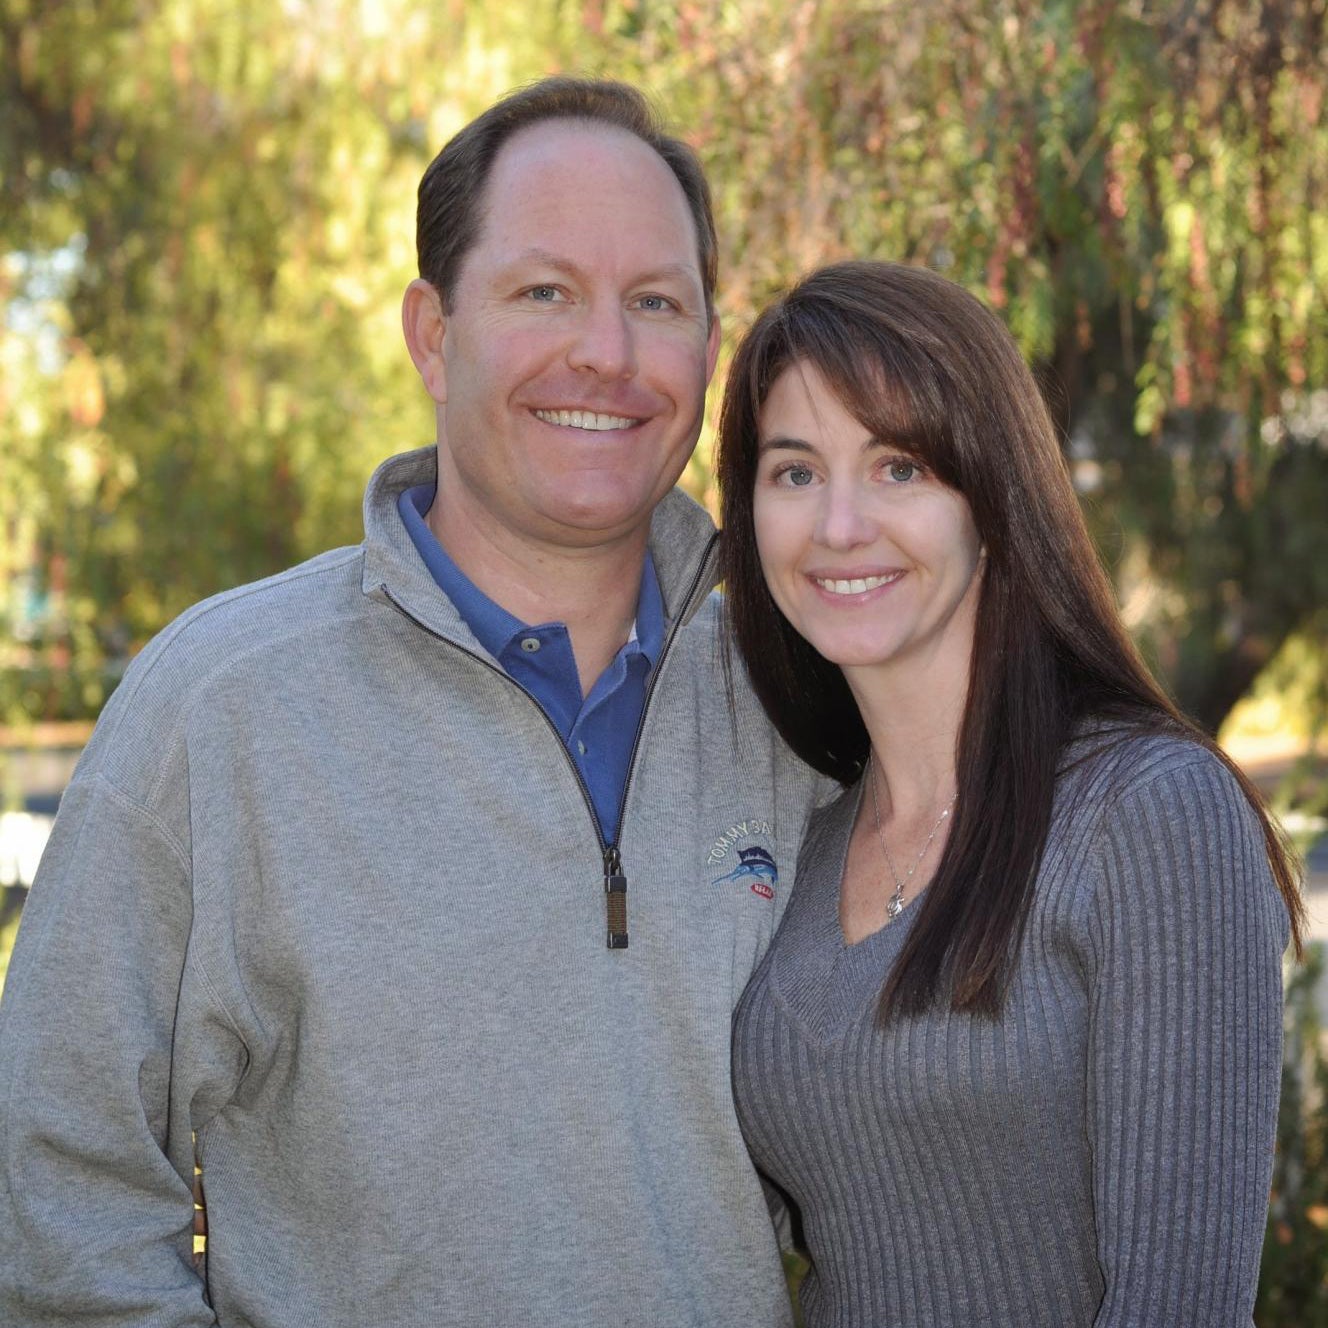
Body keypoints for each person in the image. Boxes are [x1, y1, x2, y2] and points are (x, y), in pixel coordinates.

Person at [0, 79, 824, 1327]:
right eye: (543, 291)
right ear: (432, 333)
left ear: (709, 346)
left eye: (655, 301)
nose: (605, 350)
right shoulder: (222, 708)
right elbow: (58, 1186)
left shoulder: (801, 694)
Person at [717, 260, 1304, 1327]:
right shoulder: (796, 843)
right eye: (793, 472)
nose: (838, 525)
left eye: (898, 468)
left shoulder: (1145, 814)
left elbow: (1176, 1305)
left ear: (991, 495)